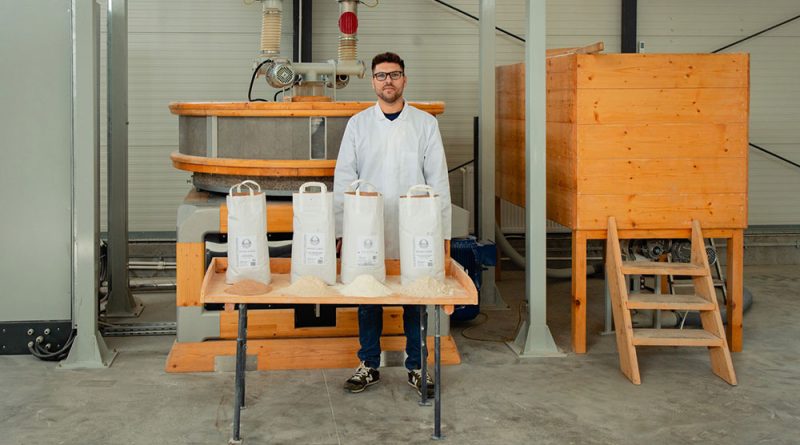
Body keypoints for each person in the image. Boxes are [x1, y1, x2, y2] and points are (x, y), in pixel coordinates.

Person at [333, 52, 452, 395]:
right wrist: (342, 231)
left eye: (395, 74)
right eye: (381, 75)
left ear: (404, 79)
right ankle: (369, 364)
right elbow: (344, 179)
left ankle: (417, 366)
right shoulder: (358, 125)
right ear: (373, 81)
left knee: (416, 293)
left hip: (416, 227)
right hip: (367, 226)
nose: (388, 81)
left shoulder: (424, 124)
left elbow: (438, 180)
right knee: (368, 292)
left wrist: (443, 235)